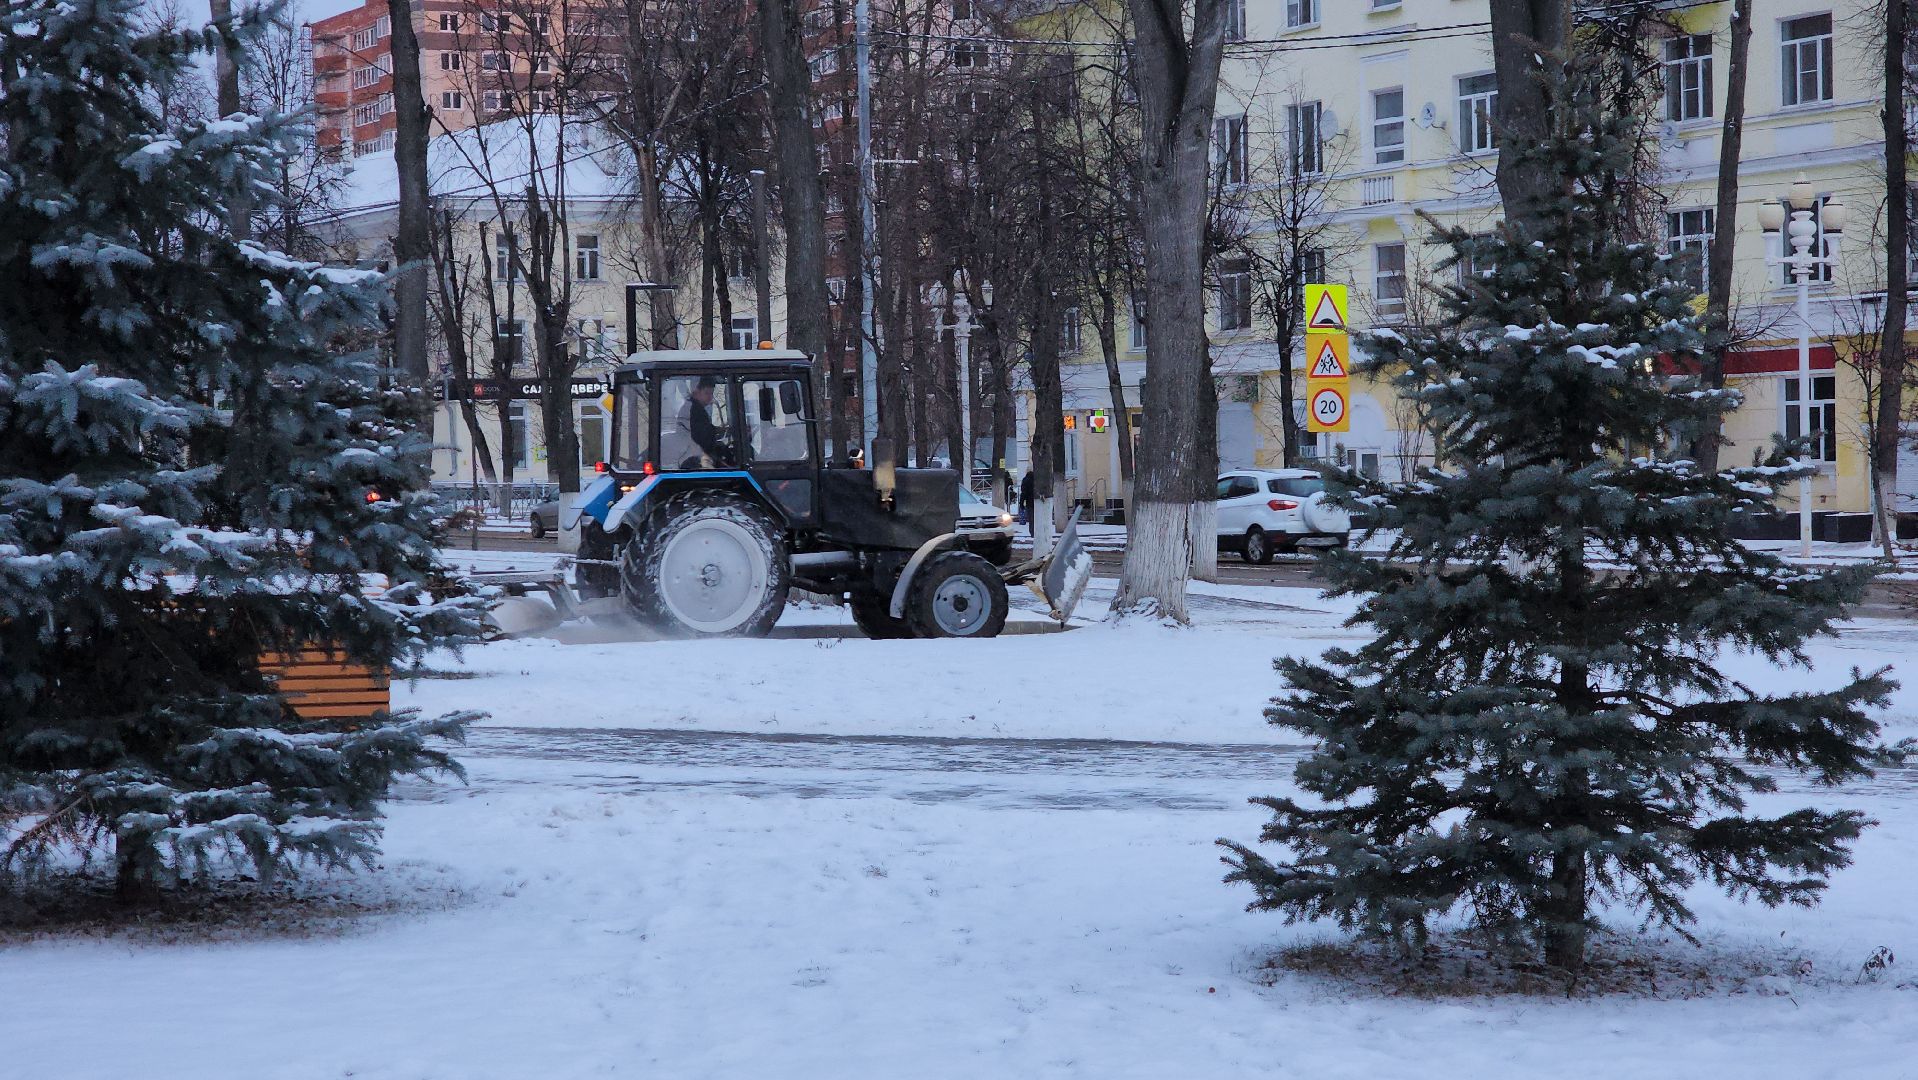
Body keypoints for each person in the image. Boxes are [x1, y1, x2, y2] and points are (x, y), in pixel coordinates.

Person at [665, 376, 726, 468]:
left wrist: (719, 430)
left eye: (711, 393)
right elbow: (700, 434)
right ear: (697, 392)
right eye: (707, 393)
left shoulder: (696, 409)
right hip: (695, 455)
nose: (710, 397)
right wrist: (715, 431)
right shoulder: (693, 410)